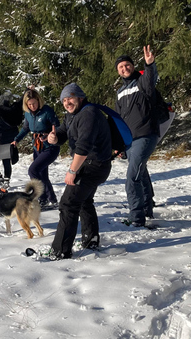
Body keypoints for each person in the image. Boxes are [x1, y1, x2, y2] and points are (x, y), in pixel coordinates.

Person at [46, 83, 112, 259]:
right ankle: (91, 240)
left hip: (93, 165)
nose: (67, 103)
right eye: (64, 100)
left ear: (80, 98)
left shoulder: (88, 114)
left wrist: (72, 171)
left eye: (71, 98)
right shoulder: (72, 114)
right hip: (93, 164)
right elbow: (63, 131)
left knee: (68, 203)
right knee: (84, 201)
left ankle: (60, 251)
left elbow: (84, 146)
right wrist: (55, 137)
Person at [115, 45, 162, 227]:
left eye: (127, 65)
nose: (124, 68)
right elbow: (119, 120)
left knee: (132, 176)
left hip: (146, 134)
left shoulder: (142, 82)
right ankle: (147, 208)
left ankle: (136, 217)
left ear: (133, 67)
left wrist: (150, 65)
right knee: (140, 173)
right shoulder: (119, 93)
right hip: (129, 139)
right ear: (118, 71)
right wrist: (120, 144)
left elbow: (150, 80)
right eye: (121, 67)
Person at [12, 88, 60, 210]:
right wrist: (16, 139)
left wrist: (51, 134)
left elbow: (58, 126)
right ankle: (52, 200)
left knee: (33, 170)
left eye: (34, 103)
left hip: (50, 147)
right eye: (29, 104)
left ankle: (42, 198)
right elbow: (25, 128)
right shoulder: (28, 114)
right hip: (37, 147)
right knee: (42, 174)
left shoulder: (47, 111)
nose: (32, 106)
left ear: (39, 101)